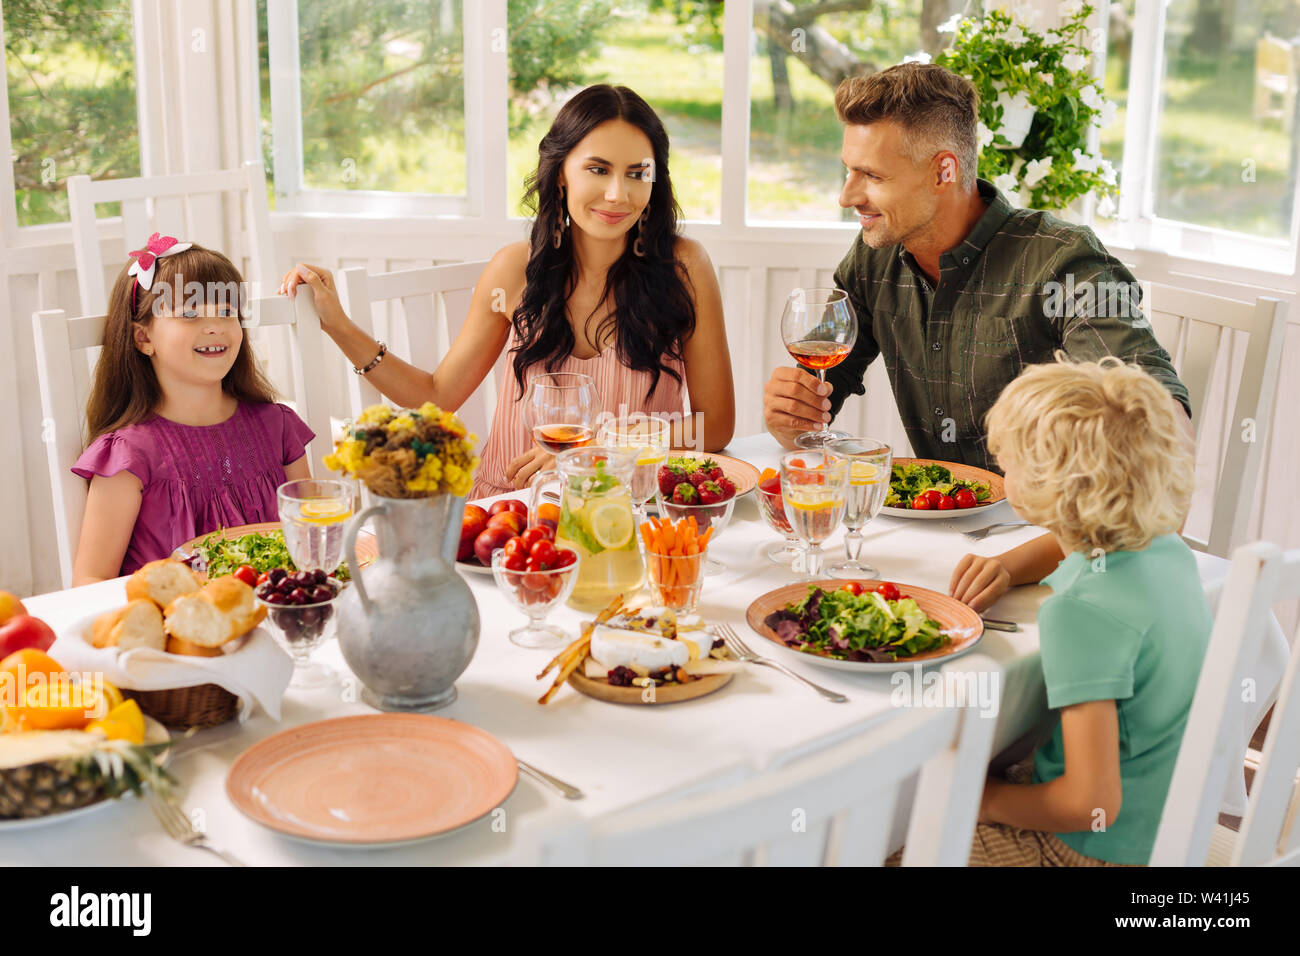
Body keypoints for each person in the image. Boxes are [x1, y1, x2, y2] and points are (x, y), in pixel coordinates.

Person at [758, 62, 1192, 612]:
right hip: (932, 553)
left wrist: (1020, 563)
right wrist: (791, 415)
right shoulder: (874, 259)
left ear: (944, 170)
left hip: (1061, 560)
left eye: (872, 176)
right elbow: (817, 399)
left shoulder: (1061, 261)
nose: (848, 196)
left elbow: (1160, 429)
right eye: (847, 170)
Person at [281, 84, 735, 499]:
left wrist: (605, 441)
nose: (618, 193)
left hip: (630, 510)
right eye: (598, 169)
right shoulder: (514, 270)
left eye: (638, 173)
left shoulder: (684, 267)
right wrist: (338, 325)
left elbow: (714, 427)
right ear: (561, 174)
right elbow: (438, 396)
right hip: (512, 513)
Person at [896, 355, 1209, 866]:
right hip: (1162, 828)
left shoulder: (1080, 612)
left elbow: (1090, 805)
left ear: (1053, 488)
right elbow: (1070, 544)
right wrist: (1008, 566)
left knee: (884, 840)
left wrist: (984, 800)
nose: (1002, 468)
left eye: (1011, 462)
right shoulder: (1163, 548)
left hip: (1091, 850)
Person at [71, 239, 314, 584]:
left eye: (228, 312)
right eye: (189, 314)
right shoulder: (127, 458)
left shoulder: (278, 427)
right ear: (143, 338)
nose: (214, 326)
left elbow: (312, 539)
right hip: (179, 629)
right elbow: (91, 582)